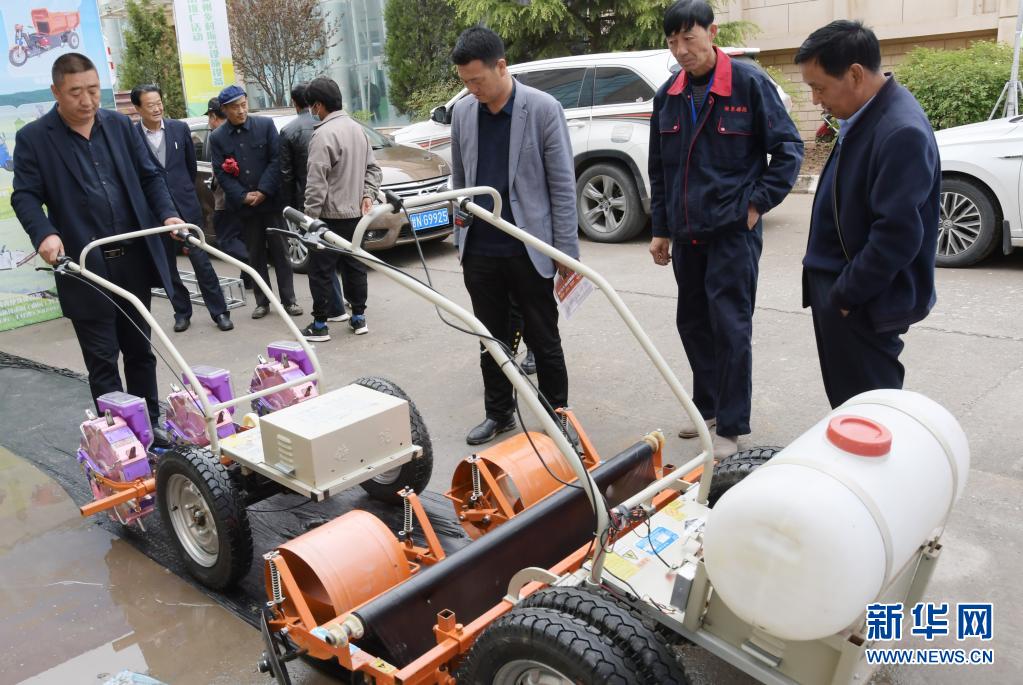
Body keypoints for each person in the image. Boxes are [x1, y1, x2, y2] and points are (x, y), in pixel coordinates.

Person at [648, 0, 803, 458]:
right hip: (687, 233)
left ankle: (731, 426)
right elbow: (660, 168)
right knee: (693, 322)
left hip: (733, 232)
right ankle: (708, 409)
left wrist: (756, 205)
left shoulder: (748, 83)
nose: (681, 50)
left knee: (730, 326)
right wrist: (660, 228)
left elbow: (789, 150)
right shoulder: (669, 94)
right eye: (673, 41)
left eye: (688, 39)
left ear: (712, 33)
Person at [11, 53, 182, 446]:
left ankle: (150, 428)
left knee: (141, 351)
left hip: (133, 259)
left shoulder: (121, 125)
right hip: (84, 267)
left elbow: (150, 177)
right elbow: (24, 196)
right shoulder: (36, 138)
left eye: (92, 90)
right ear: (56, 92)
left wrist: (169, 215)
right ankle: (119, 438)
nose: (86, 100)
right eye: (75, 93)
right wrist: (46, 235)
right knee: (103, 359)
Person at [796, 21, 939, 407]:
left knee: (870, 412)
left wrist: (845, 295)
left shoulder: (899, 130)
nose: (815, 100)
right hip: (846, 289)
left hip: (861, 299)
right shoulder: (867, 113)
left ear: (855, 74)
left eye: (819, 87)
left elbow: (898, 234)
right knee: (849, 406)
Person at [449, 27, 579, 446]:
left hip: (530, 247)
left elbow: (562, 186)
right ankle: (499, 412)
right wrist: (460, 238)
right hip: (481, 250)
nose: (471, 89)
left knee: (544, 337)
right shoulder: (464, 113)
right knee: (491, 338)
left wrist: (566, 255)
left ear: (501, 66)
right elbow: (461, 180)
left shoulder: (542, 109)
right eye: (465, 82)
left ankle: (558, 417)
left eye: (477, 80)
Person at [130, 84, 233, 333]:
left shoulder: (179, 128)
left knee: (202, 262)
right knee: (167, 265)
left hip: (186, 207)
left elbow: (189, 168)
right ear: (137, 109)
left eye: (159, 103)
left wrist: (183, 194)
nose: (157, 108)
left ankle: (220, 311)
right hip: (154, 211)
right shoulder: (131, 136)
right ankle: (182, 312)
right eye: (150, 105)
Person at [208, 84, 302, 320]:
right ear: (225, 110)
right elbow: (222, 172)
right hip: (244, 207)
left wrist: (263, 190)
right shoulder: (218, 137)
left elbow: (276, 160)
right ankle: (262, 301)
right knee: (255, 254)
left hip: (270, 201)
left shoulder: (265, 125)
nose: (240, 111)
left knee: (281, 252)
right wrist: (242, 196)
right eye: (234, 108)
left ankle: (289, 300)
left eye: (243, 105)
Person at [301, 77, 381, 340]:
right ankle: (359, 318)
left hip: (328, 216)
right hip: (357, 215)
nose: (312, 110)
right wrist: (368, 193)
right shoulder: (357, 129)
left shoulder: (323, 134)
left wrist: (309, 218)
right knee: (355, 266)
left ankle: (321, 325)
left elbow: (316, 181)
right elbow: (373, 168)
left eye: (312, 106)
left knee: (321, 271)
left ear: (319, 105)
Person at [280, 82, 348, 323]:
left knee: (320, 262)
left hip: (312, 203)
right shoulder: (345, 125)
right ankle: (353, 309)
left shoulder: (292, 131)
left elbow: (291, 175)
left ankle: (333, 311)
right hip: (345, 203)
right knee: (345, 256)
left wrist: (295, 212)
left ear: (297, 103)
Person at [203, 98, 250, 285]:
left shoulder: (218, 137)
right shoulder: (240, 130)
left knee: (225, 240)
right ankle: (248, 278)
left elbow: (220, 174)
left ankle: (252, 261)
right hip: (246, 196)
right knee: (243, 237)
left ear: (214, 116)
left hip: (226, 199)